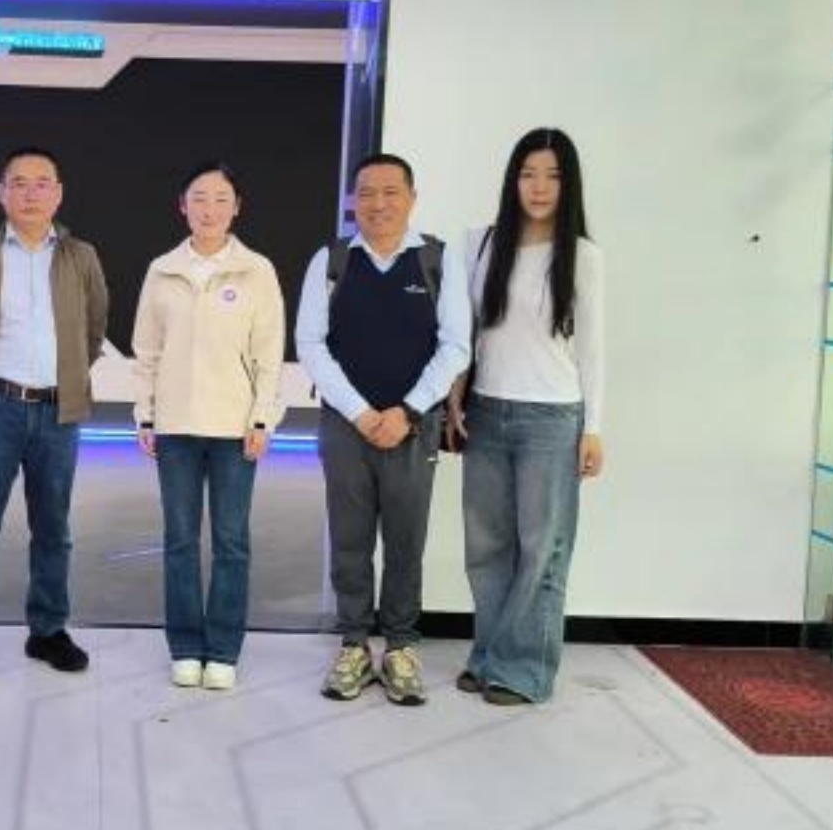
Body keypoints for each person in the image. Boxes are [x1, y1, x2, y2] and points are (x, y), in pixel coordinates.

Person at [295, 153, 470, 706]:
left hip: (413, 427)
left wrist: (406, 412)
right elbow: (310, 344)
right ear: (353, 200)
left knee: (405, 540)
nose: (378, 203)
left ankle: (399, 647)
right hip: (346, 426)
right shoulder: (332, 260)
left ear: (412, 198)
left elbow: (456, 345)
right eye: (366, 192)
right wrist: (360, 413)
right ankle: (353, 645)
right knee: (349, 540)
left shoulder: (437, 260)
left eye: (391, 192)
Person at [446, 128, 604, 706]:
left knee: (543, 550)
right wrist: (455, 398)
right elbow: (465, 333)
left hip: (553, 419)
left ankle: (524, 670)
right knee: (486, 547)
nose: (539, 187)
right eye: (529, 174)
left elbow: (593, 349)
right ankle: (489, 656)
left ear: (569, 186)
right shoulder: (481, 244)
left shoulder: (583, 257)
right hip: (486, 412)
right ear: (513, 181)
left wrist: (593, 429)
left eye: (553, 176)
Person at [0, 147, 110, 679]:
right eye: (19, 183)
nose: (31, 193)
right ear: (1, 193)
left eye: (42, 183)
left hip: (58, 412)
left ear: (58, 194)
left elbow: (94, 329)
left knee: (54, 529)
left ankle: (48, 631)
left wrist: (69, 376)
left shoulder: (81, 257)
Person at [132, 162, 286, 692]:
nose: (210, 209)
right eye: (199, 198)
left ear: (237, 207)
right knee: (179, 541)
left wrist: (263, 417)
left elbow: (269, 353)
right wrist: (146, 414)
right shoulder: (162, 270)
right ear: (182, 206)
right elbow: (147, 351)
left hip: (234, 430)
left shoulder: (256, 271)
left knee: (231, 542)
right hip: (175, 428)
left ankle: (222, 649)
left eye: (221, 199)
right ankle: (184, 647)